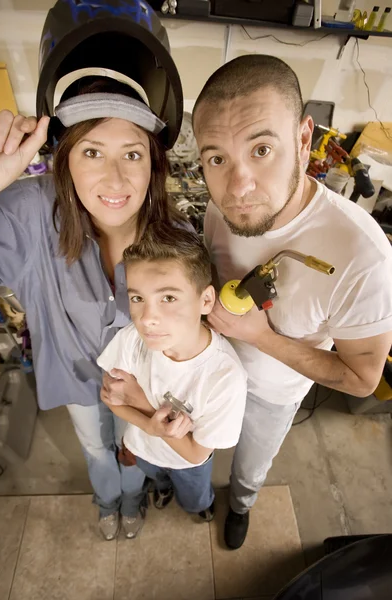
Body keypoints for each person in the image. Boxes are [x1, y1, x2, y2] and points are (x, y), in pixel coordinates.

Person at [0, 69, 189, 539]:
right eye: (92, 152)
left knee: (135, 446)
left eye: (131, 153)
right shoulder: (30, 214)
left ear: (152, 163)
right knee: (96, 448)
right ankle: (107, 502)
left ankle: (133, 498)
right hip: (74, 378)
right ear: (65, 160)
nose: (114, 178)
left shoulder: (179, 238)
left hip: (145, 386)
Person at [192, 54, 392, 550]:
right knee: (194, 443)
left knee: (252, 460)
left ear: (304, 140)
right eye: (217, 157)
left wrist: (260, 337)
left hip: (273, 393)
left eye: (262, 149)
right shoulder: (219, 211)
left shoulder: (361, 256)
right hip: (209, 368)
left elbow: (362, 378)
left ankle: (240, 504)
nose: (238, 188)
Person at [97, 224, 247, 529]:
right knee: (156, 477)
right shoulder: (131, 340)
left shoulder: (225, 377)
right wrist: (150, 426)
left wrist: (144, 409)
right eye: (137, 298)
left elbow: (194, 453)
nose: (147, 318)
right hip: (143, 449)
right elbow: (111, 397)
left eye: (168, 298)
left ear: (205, 301)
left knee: (194, 495)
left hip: (187, 464)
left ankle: (200, 506)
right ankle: (162, 489)